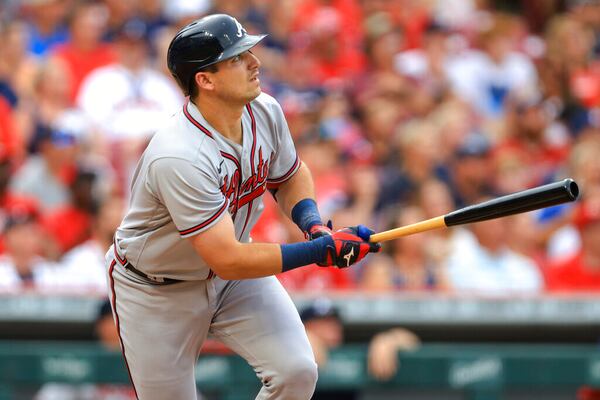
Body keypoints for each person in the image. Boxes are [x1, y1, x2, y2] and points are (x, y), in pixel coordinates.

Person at [105, 14, 380, 400]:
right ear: (205, 79)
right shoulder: (178, 154)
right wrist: (321, 251)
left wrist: (314, 225)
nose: (256, 62)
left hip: (231, 280)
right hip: (155, 288)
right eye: (237, 58)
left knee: (297, 372)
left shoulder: (264, 109)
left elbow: (290, 176)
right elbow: (228, 258)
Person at [300, 298, 420, 400]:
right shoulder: (292, 350)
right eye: (320, 323)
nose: (330, 329)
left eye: (333, 322)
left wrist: (388, 340)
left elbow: (413, 342)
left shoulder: (351, 351)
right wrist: (301, 342)